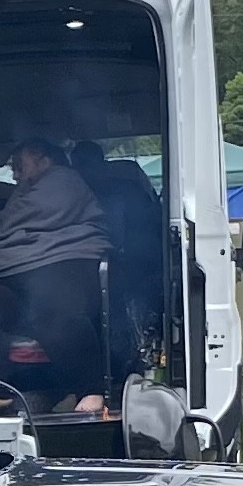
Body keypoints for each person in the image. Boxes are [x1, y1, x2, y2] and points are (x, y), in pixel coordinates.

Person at [0, 138, 112, 410]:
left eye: (19, 165)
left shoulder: (63, 179)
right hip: (17, 264)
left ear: (45, 160)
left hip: (65, 257)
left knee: (55, 312)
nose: (14, 174)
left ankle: (91, 390)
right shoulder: (29, 187)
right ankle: (1, 386)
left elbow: (20, 219)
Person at [69, 139, 170, 369]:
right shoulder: (68, 198)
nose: (85, 172)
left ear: (101, 164)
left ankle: (136, 359)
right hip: (85, 268)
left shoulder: (129, 192)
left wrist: (125, 263)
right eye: (79, 167)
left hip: (135, 267)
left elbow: (151, 237)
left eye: (89, 165)